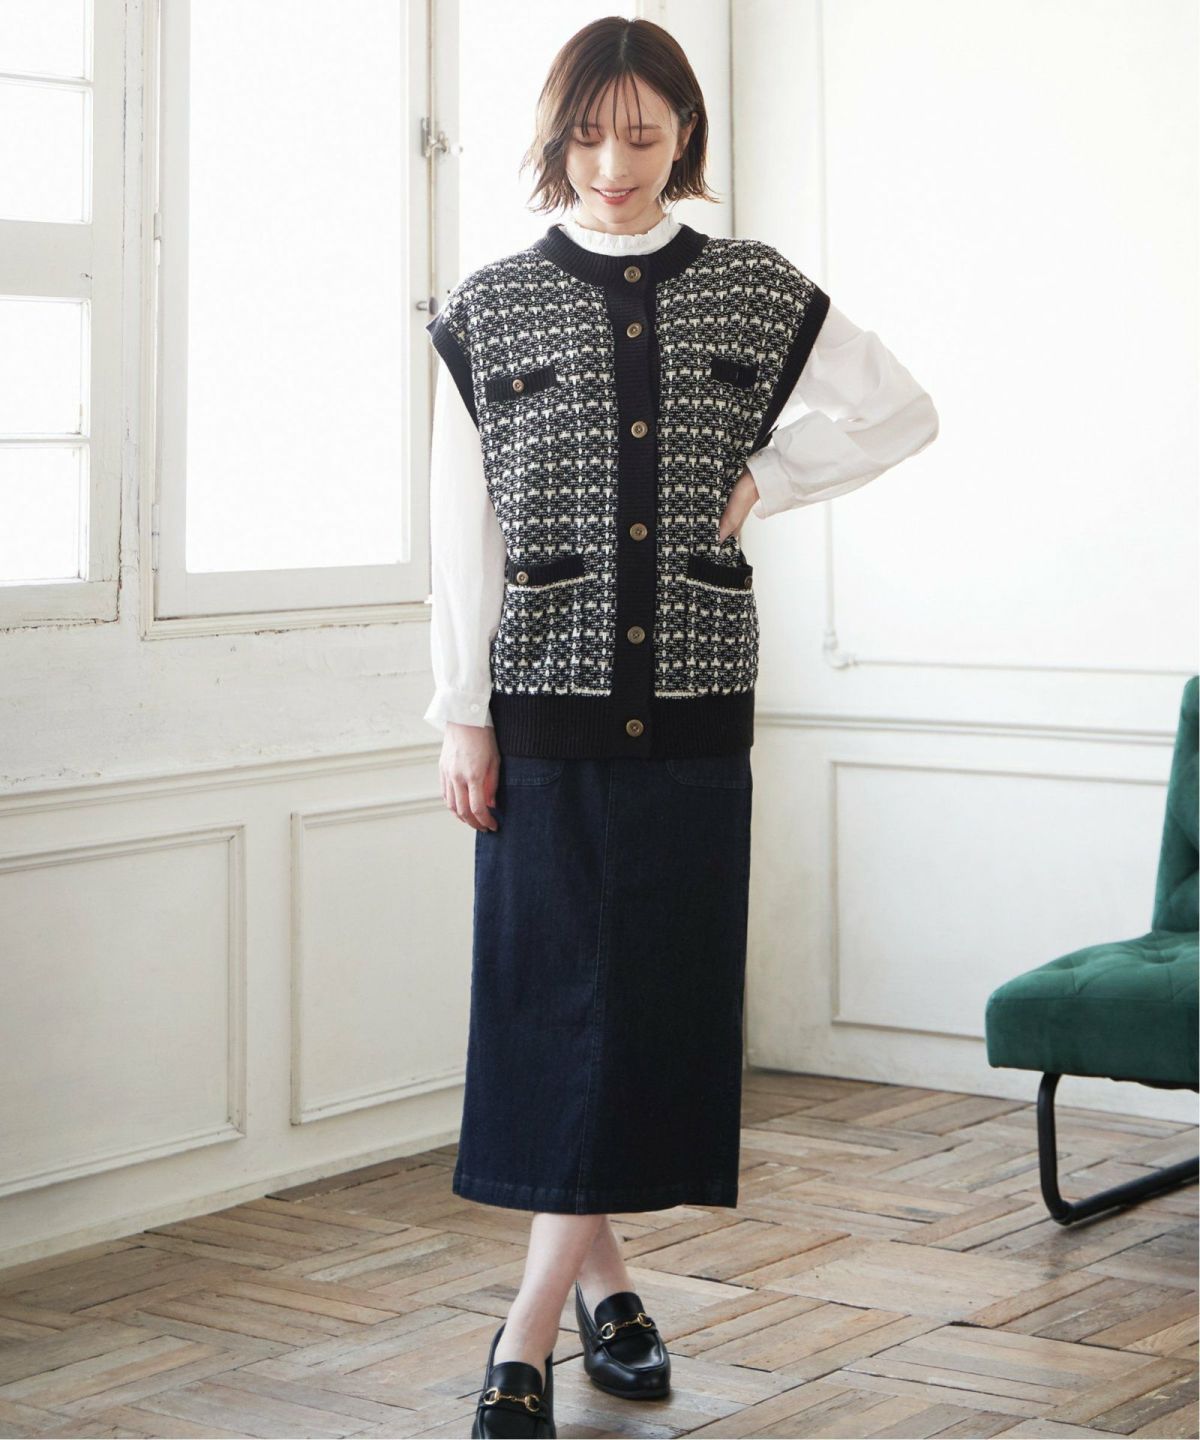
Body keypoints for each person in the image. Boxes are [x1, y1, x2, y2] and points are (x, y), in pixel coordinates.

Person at [424, 18, 939, 1438]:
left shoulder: (753, 287)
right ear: (556, 139)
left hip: (699, 709)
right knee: (553, 1013)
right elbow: (459, 533)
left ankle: (565, 1313)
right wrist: (461, 713)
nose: (615, 164)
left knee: (644, 1008)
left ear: (684, 139)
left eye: (644, 136)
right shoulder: (490, 308)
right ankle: (559, 1317)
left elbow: (901, 413)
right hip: (542, 710)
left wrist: (769, 476)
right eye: (590, 136)